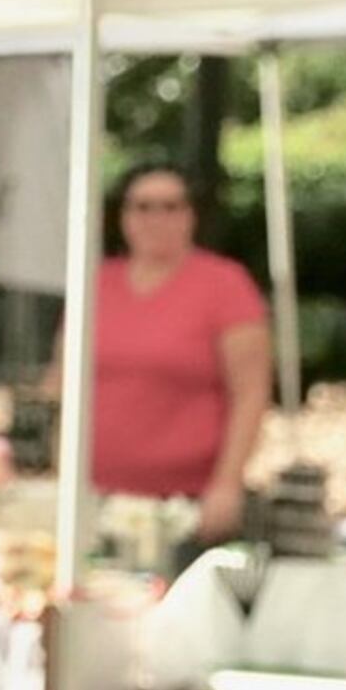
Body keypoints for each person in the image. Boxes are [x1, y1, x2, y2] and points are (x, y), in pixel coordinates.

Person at [81, 158, 268, 546]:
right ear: (123, 215)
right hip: (94, 494)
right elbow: (62, 383)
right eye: (143, 206)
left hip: (185, 505)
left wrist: (228, 483)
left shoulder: (225, 285)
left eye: (171, 206)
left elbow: (251, 393)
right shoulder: (96, 282)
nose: (156, 218)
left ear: (191, 215)